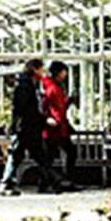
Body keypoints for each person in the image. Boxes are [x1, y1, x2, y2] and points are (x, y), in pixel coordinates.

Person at [0, 58, 55, 196]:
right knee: (29, 155)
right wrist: (44, 119)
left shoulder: (29, 85)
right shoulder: (25, 87)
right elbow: (26, 109)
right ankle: (7, 183)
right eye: (41, 69)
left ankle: (8, 183)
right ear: (34, 69)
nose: (43, 72)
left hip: (28, 126)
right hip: (27, 127)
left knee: (25, 155)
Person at [41, 60, 77, 190]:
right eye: (64, 71)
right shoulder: (52, 88)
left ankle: (47, 183)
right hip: (55, 128)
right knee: (67, 153)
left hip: (57, 127)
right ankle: (65, 181)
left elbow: (57, 107)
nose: (65, 74)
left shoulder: (52, 87)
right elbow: (47, 107)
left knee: (51, 156)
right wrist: (47, 119)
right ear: (59, 72)